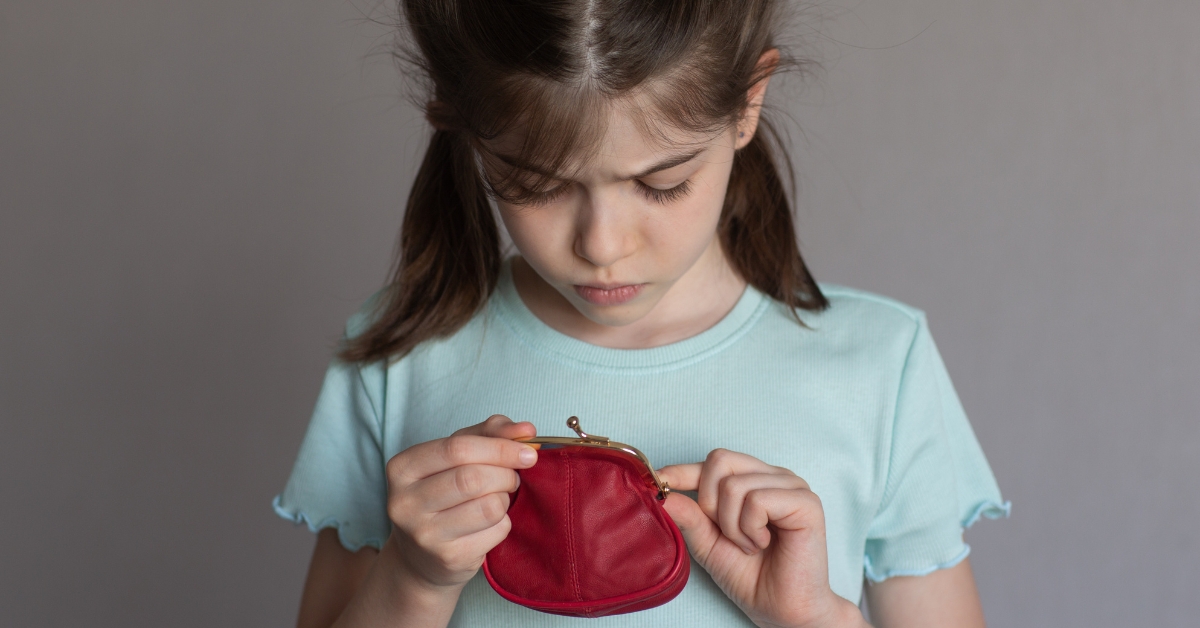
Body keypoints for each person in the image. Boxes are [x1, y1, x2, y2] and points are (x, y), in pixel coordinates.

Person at [272, 1, 1009, 626]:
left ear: (748, 104)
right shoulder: (398, 357)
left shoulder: (883, 363)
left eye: (662, 183)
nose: (603, 246)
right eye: (536, 184)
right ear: (465, 132)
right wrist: (415, 577)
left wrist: (816, 618)